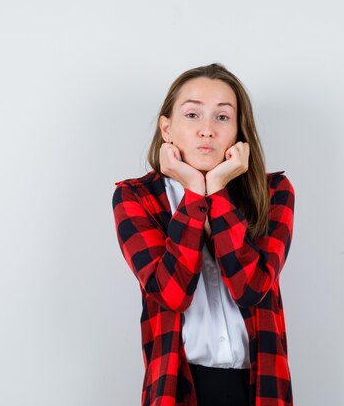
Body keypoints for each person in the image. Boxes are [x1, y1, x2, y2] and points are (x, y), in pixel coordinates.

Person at [111, 63, 296, 406]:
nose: (207, 130)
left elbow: (251, 287)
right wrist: (195, 191)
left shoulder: (274, 192)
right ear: (166, 128)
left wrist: (218, 191)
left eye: (222, 117)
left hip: (259, 387)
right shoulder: (135, 197)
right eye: (193, 115)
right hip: (178, 385)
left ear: (240, 130)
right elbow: (171, 294)